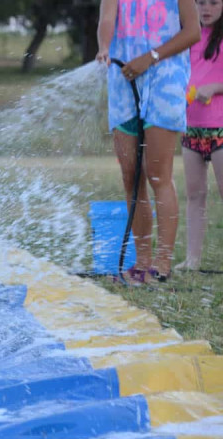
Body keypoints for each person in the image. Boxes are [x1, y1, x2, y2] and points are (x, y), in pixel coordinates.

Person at [97, 0, 201, 284]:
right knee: (130, 176)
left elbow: (193, 31)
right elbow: (107, 19)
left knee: (157, 174)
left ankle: (162, 263)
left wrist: (151, 57)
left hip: (164, 80)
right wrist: (104, 48)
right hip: (122, 78)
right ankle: (141, 261)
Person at [176, 0, 223, 270]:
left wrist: (216, 87)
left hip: (220, 127)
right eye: (201, 3)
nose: (206, 8)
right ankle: (192, 260)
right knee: (194, 195)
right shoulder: (189, 35)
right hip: (191, 125)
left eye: (214, 3)